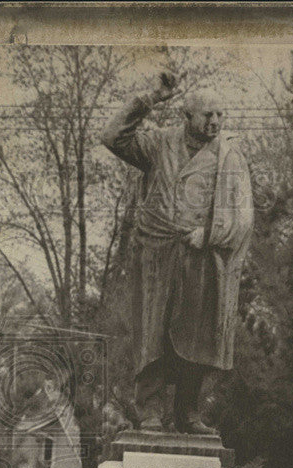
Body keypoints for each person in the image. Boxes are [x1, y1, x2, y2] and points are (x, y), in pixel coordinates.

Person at [101, 85, 254, 434]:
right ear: (187, 116)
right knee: (152, 333)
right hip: (156, 253)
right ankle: (150, 410)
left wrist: (211, 235)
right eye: (207, 115)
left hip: (201, 256)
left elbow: (244, 214)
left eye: (220, 114)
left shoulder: (230, 157)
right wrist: (149, 98)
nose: (215, 121)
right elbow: (111, 137)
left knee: (195, 337)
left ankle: (188, 412)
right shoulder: (159, 144)